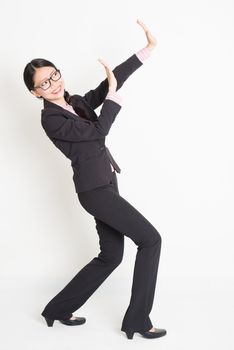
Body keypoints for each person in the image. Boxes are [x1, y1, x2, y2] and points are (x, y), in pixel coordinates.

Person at [23, 19, 167, 340]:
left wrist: (146, 50)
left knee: (112, 256)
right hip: (94, 190)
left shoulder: (75, 102)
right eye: (44, 84)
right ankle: (138, 321)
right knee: (150, 240)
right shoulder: (52, 119)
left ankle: (58, 309)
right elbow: (99, 131)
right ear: (35, 93)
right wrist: (113, 100)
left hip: (106, 182)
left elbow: (109, 85)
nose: (53, 84)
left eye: (54, 75)